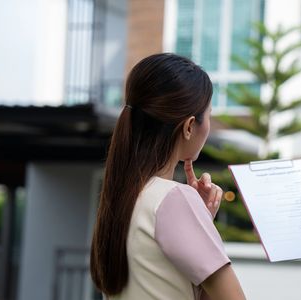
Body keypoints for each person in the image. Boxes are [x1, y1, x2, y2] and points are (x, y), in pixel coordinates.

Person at [90, 53, 245, 300]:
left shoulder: (123, 197)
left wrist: (200, 221)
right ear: (189, 126)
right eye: (210, 115)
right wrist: (195, 217)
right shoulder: (174, 198)